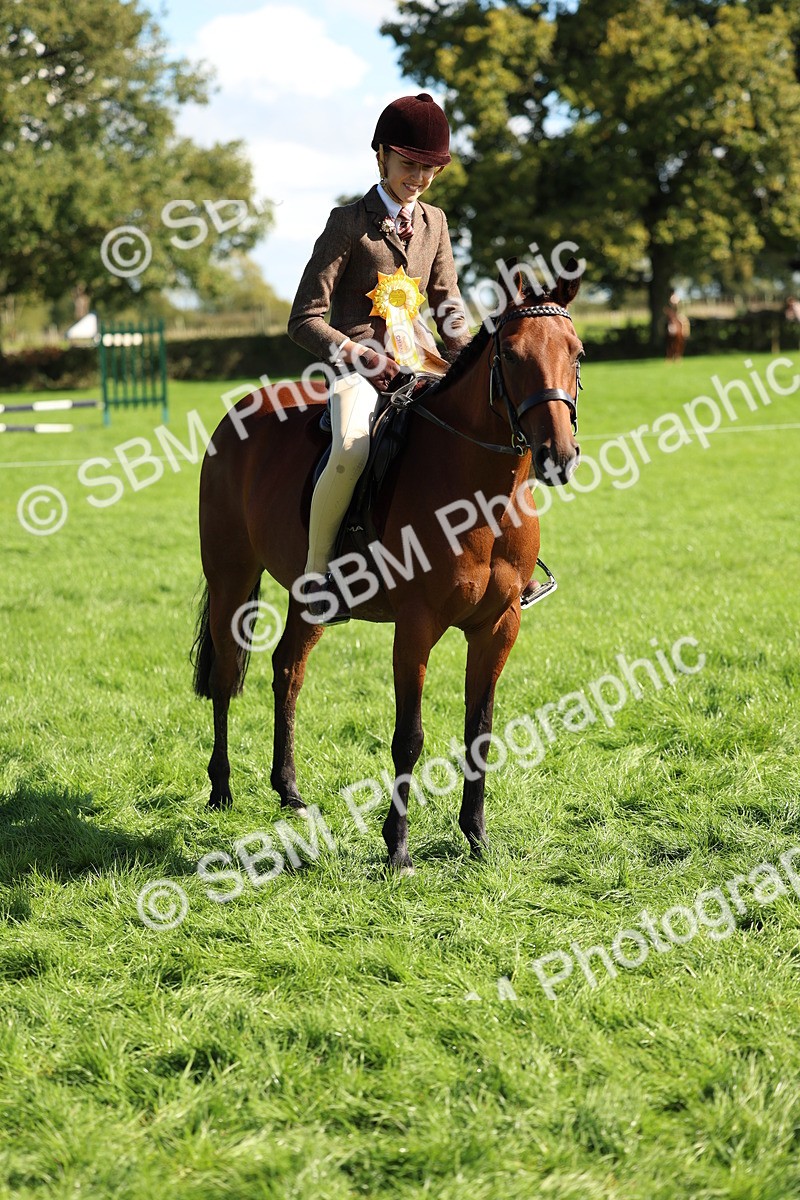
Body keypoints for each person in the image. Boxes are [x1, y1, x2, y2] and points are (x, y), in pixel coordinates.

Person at [288, 93, 472, 623]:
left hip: (424, 365)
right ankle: (318, 574)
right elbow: (304, 318)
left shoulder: (435, 222)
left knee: (494, 422)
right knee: (348, 448)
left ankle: (505, 557)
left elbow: (448, 303)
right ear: (381, 157)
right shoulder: (348, 221)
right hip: (358, 367)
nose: (418, 178)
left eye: (429, 168)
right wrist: (357, 356)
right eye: (409, 164)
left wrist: (468, 357)